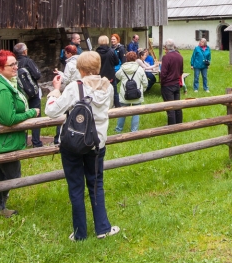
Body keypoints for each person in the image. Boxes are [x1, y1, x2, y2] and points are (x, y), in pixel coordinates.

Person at [46, 51, 119, 240]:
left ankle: (80, 233)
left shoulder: (74, 87)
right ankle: (102, 228)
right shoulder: (107, 87)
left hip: (73, 143)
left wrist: (54, 93)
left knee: (76, 186)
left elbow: (52, 111)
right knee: (96, 185)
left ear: (81, 69)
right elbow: (107, 107)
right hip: (96, 142)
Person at [0, 50, 39, 218]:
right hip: (4, 140)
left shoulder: (4, 83)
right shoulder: (1, 89)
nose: (16, 67)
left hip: (4, 140)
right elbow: (8, 118)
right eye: (12, 65)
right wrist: (31, 113)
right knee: (12, 174)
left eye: (16, 64)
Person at [13, 43, 44, 148]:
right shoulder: (28, 61)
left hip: (21, 94)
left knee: (23, 116)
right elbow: (37, 75)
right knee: (36, 115)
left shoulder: (14, 63)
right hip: (32, 93)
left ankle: (23, 141)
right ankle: (36, 142)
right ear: (25, 51)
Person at [114, 52, 147, 133]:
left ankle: (118, 128)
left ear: (126, 59)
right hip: (137, 93)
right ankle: (134, 130)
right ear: (135, 59)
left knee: (123, 112)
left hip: (125, 94)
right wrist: (143, 90)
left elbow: (117, 75)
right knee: (136, 113)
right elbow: (145, 82)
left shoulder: (122, 69)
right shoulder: (140, 69)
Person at [159, 39, 184, 125]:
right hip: (176, 83)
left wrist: (162, 82)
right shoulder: (179, 56)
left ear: (166, 48)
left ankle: (172, 126)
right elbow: (181, 71)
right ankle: (179, 123)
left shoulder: (166, 57)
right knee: (177, 105)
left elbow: (163, 73)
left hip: (168, 85)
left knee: (170, 107)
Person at [95, 36, 120, 107]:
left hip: (100, 75)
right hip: (110, 75)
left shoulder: (96, 52)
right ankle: (118, 107)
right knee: (115, 92)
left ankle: (101, 106)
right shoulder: (111, 51)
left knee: (100, 91)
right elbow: (117, 62)